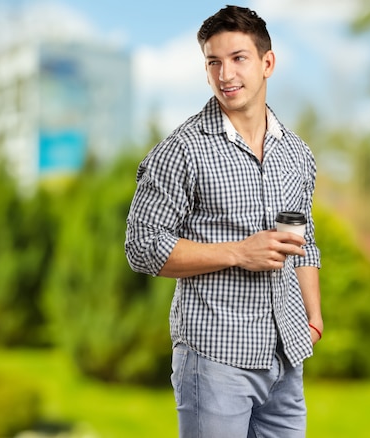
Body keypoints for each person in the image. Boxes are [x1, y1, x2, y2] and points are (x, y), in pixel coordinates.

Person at [125, 5, 323, 438]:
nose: (225, 74)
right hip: (216, 359)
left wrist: (313, 315)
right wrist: (238, 252)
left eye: (238, 58)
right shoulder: (182, 150)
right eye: (213, 62)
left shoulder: (297, 154)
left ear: (267, 62)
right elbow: (142, 246)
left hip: (286, 356)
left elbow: (305, 239)